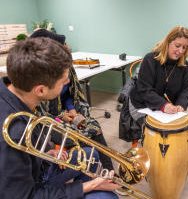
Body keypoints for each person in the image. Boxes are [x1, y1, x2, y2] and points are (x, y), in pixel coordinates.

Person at [0, 37, 120, 199]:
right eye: (63, 81)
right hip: (32, 188)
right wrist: (90, 186)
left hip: (36, 170)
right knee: (107, 197)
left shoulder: (13, 93)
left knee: (90, 154)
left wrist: (44, 154)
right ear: (41, 90)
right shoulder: (13, 133)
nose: (68, 81)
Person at [30, 29, 114, 173]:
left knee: (95, 128)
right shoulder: (38, 80)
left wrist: (73, 111)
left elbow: (68, 94)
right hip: (50, 122)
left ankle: (109, 171)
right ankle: (89, 169)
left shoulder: (65, 68)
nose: (68, 47)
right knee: (79, 137)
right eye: (64, 45)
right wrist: (60, 115)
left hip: (63, 112)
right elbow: (42, 116)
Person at [119, 26, 188, 141]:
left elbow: (186, 90)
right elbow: (145, 89)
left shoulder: (185, 67)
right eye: (177, 46)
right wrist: (163, 105)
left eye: (184, 47)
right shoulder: (150, 60)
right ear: (168, 42)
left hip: (164, 109)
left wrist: (180, 105)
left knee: (178, 131)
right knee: (154, 134)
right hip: (141, 104)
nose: (181, 51)